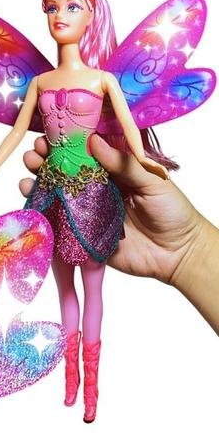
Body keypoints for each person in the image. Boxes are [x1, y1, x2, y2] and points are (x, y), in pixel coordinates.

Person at [0, 0, 178, 423]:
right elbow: (17, 133)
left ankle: (93, 388)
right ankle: (70, 380)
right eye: (52, 8)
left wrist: (147, 160)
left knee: (93, 287)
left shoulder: (104, 80)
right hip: (50, 193)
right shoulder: (40, 83)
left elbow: (131, 132)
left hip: (93, 193)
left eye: (72, 7)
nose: (60, 16)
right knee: (64, 289)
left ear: (90, 16)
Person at [19, 134, 219, 335]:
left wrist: (142, 159)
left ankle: (90, 355)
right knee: (67, 291)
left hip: (93, 198)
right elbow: (16, 132)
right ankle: (71, 355)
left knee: (89, 291)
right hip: (56, 196)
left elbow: (128, 126)